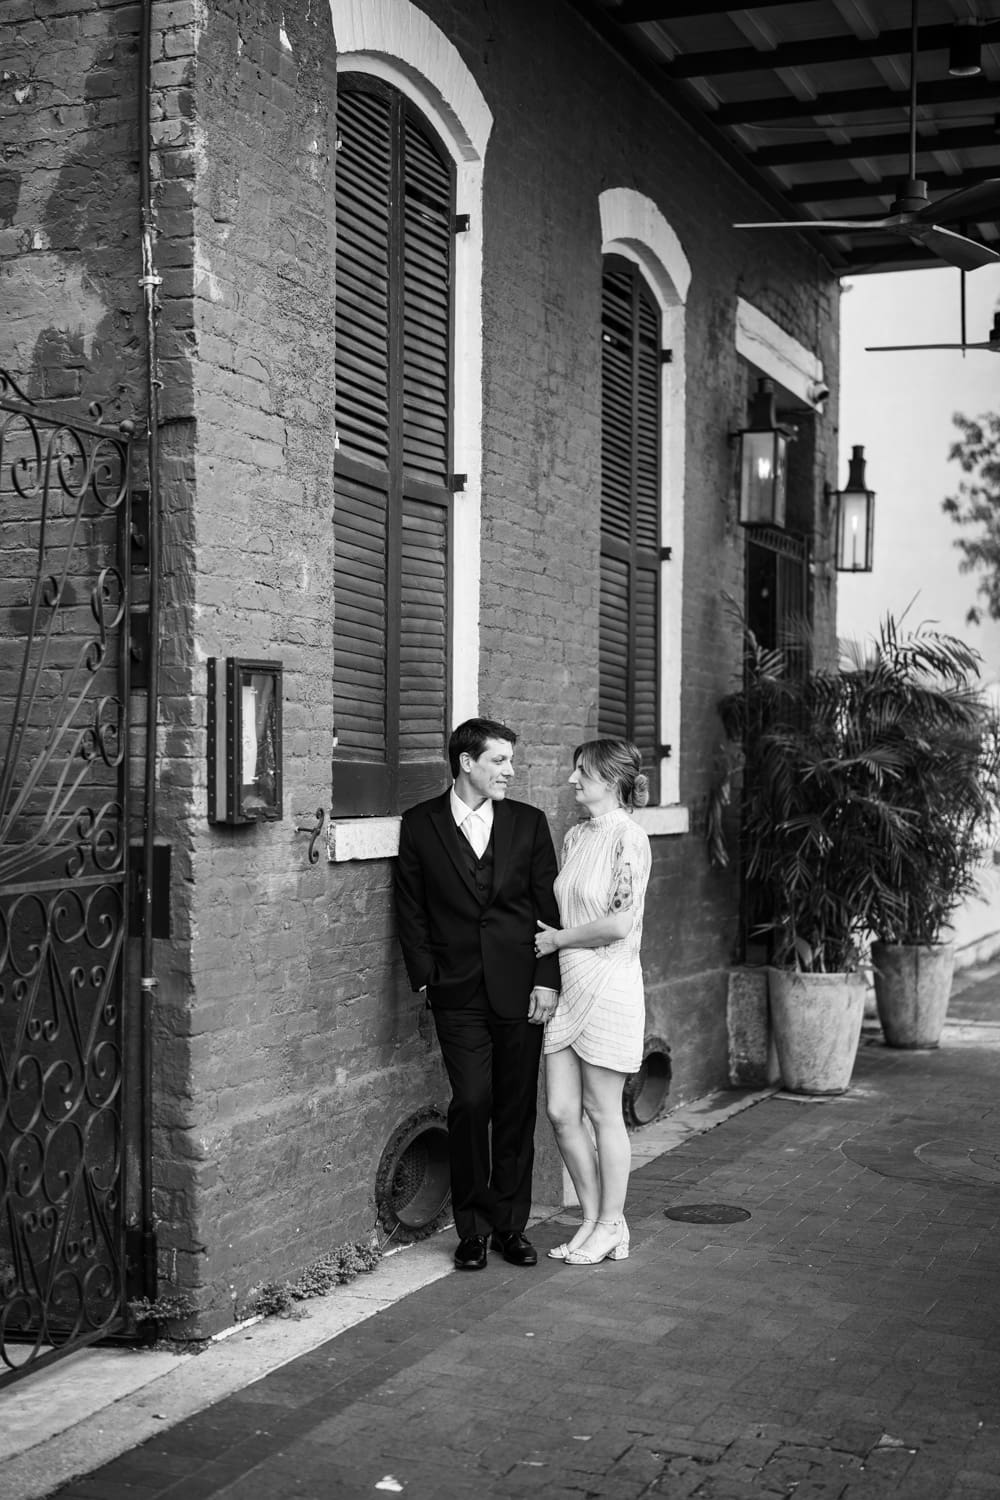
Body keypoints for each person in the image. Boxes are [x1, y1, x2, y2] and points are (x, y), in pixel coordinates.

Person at [395, 717, 561, 1271]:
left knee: (515, 1108)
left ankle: (510, 1227)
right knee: (471, 1102)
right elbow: (410, 908)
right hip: (457, 991)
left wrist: (547, 979)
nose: (510, 772)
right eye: (499, 761)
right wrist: (427, 977)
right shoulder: (420, 825)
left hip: (520, 986)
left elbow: (547, 909)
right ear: (467, 763)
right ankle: (472, 1227)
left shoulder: (529, 824)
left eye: (510, 762)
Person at [534, 738, 652, 1266]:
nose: (571, 779)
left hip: (609, 984)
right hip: (570, 984)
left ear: (610, 778)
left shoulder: (630, 838)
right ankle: (593, 1218)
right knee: (561, 1110)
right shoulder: (576, 836)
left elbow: (621, 923)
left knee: (604, 1112)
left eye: (581, 771)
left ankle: (611, 1224)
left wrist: (558, 940)